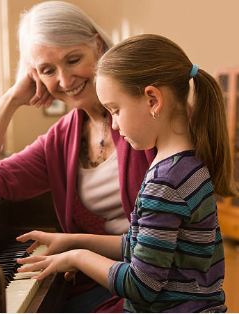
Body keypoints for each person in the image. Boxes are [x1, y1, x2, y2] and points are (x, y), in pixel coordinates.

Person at [0, 1, 154, 312]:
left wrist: (74, 248)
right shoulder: (60, 139)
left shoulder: (146, 111)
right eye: (48, 70)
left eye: (73, 60)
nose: (64, 80)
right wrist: (10, 100)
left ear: (97, 46)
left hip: (155, 283)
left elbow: (169, 241)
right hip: (101, 282)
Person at [16, 33, 237, 313]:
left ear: (152, 100)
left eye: (116, 111)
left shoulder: (165, 182)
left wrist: (79, 257)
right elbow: (144, 244)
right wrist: (73, 240)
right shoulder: (186, 165)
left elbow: (141, 285)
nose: (116, 126)